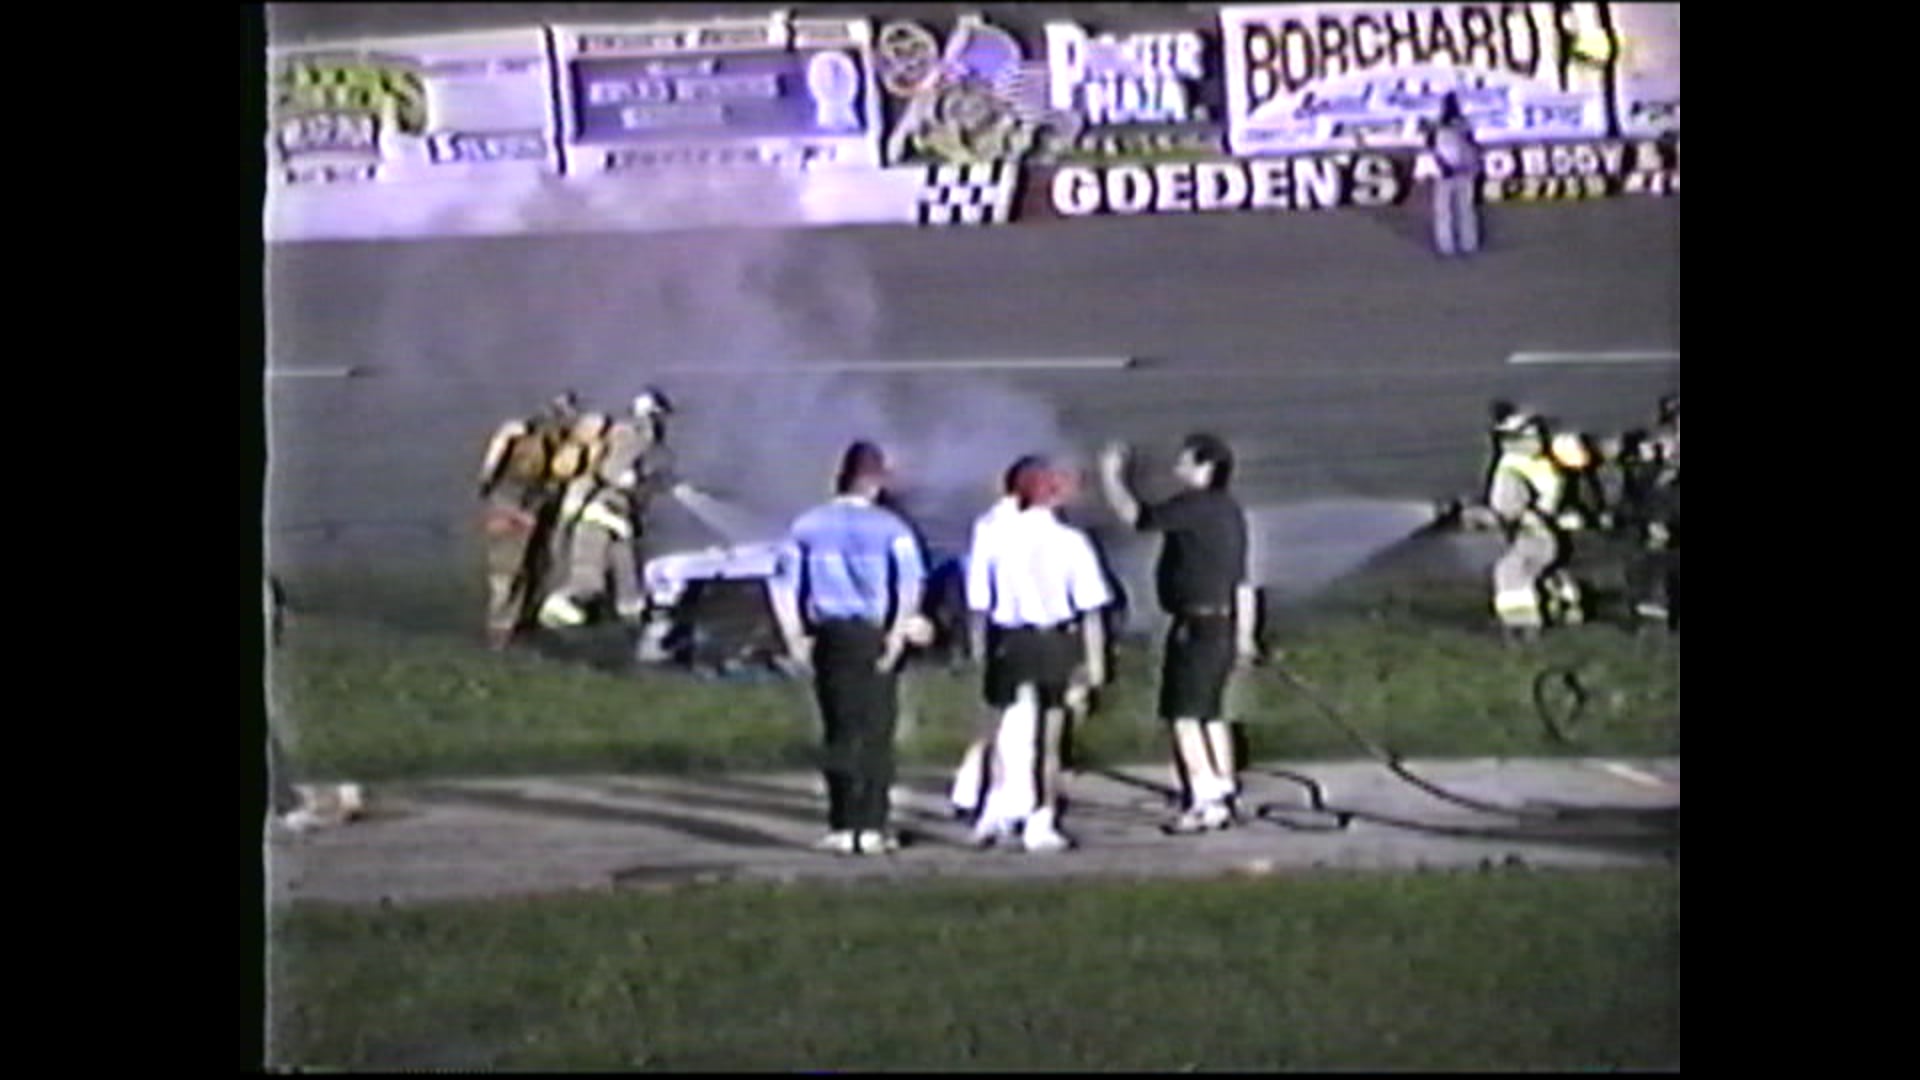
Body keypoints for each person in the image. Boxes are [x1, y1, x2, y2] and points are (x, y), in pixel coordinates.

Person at [770, 442, 929, 857]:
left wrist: (794, 635)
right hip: (873, 632)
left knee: (839, 730)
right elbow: (909, 586)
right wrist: (897, 636)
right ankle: (872, 825)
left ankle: (842, 825)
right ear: (874, 482)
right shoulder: (893, 528)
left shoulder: (807, 525)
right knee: (875, 733)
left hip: (828, 635)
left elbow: (784, 584)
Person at [1099, 434, 1260, 834]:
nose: (1178, 470)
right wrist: (1246, 634)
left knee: (1184, 716)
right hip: (1222, 625)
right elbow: (1243, 581)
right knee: (1211, 713)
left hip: (1195, 627)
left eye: (1185, 463)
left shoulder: (1194, 507)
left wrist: (1111, 477)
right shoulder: (1229, 510)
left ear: (1206, 468)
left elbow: (1138, 518)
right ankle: (1224, 787)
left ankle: (1205, 799)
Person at [961, 458, 1112, 853]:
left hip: (1008, 638)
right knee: (1049, 738)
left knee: (997, 730)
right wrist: (1094, 664)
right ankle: (1041, 818)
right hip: (1054, 640)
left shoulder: (993, 535)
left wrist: (979, 647)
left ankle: (993, 809)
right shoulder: (1071, 541)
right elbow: (1090, 608)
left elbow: (979, 600)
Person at [948, 455, 1044, 820]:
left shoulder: (988, 525)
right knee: (1021, 724)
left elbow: (978, 593)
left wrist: (978, 637)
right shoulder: (1023, 526)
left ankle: (970, 788)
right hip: (1024, 629)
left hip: (999, 630)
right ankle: (1011, 801)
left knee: (999, 716)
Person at [538, 389, 679, 636]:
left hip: (619, 515)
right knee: (589, 579)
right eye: (655, 417)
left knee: (627, 577)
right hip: (601, 512)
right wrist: (627, 480)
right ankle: (554, 610)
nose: (658, 424)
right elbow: (612, 473)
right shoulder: (629, 436)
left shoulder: (644, 442)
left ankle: (633, 621)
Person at [476, 390, 580, 649]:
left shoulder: (518, 433)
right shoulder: (558, 441)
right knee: (520, 569)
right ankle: (506, 628)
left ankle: (506, 627)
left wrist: (486, 481)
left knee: (513, 570)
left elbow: (490, 467)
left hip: (514, 502)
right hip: (528, 505)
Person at [1484, 411, 1569, 642]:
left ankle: (1522, 624)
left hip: (1530, 534)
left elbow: (1510, 507)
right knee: (1522, 573)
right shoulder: (1536, 466)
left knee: (1511, 573)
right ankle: (1561, 599)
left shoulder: (1513, 471)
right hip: (1541, 534)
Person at [1423, 91, 1484, 257]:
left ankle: (1447, 245)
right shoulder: (1464, 125)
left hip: (1448, 172)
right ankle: (1467, 243)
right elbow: (1474, 147)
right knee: (1463, 209)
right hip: (1461, 170)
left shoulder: (1438, 126)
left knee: (1445, 210)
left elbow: (1431, 147)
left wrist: (1442, 165)